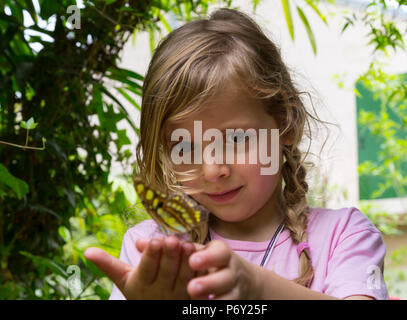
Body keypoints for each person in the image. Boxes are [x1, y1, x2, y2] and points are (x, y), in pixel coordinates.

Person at [84, 8, 390, 300]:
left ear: (285, 124)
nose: (212, 170)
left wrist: (255, 285)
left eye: (236, 139)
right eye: (185, 147)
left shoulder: (343, 236)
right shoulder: (153, 251)